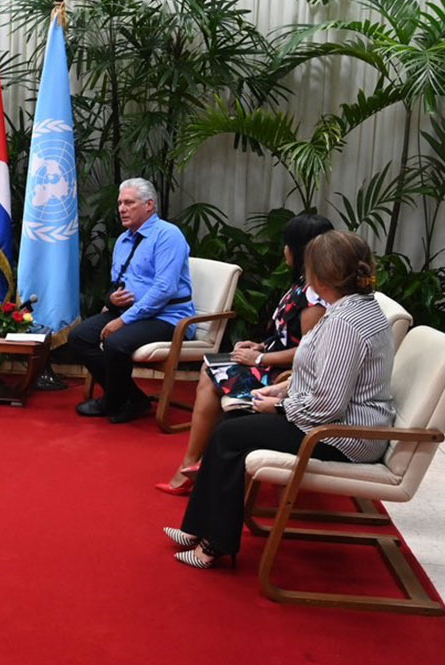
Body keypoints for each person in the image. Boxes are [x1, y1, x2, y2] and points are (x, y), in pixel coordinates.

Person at [165, 230, 394, 569]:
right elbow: (325, 376)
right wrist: (283, 389)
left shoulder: (346, 323)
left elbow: (327, 405)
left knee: (230, 434)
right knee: (233, 424)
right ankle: (199, 528)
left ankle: (214, 545)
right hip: (333, 422)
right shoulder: (351, 308)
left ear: (320, 274)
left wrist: (278, 406)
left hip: (344, 435)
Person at [156, 214, 334, 495]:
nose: (283, 250)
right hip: (272, 361)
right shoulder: (305, 284)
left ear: (297, 249)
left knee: (212, 372)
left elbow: (308, 352)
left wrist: (260, 360)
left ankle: (193, 464)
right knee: (213, 367)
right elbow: (290, 335)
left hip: (286, 375)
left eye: (286, 244)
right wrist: (260, 346)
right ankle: (198, 462)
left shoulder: (315, 297)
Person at [68, 178, 195, 424]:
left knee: (116, 342)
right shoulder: (123, 240)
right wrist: (113, 299)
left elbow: (164, 289)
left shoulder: (168, 235)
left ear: (149, 205)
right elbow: (121, 281)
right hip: (131, 311)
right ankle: (132, 397)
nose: (122, 209)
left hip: (167, 316)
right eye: (120, 203)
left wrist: (124, 320)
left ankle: (113, 400)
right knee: (79, 337)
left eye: (129, 203)